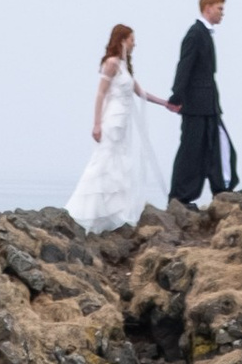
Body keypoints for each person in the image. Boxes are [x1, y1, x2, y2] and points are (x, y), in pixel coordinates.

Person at [66, 23, 175, 233]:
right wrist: (96, 123)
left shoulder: (124, 66)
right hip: (112, 119)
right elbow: (100, 94)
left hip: (123, 122)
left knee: (118, 165)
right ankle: (85, 212)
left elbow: (141, 92)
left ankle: (112, 214)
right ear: (123, 40)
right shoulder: (112, 63)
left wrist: (166, 103)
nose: (135, 44)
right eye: (132, 39)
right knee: (104, 162)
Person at [168, 0, 235, 208]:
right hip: (196, 105)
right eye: (220, 9)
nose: (222, 13)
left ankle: (222, 190)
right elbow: (184, 66)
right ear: (208, 8)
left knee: (218, 146)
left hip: (208, 104)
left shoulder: (204, 33)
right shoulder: (195, 34)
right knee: (191, 150)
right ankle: (180, 197)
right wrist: (176, 96)